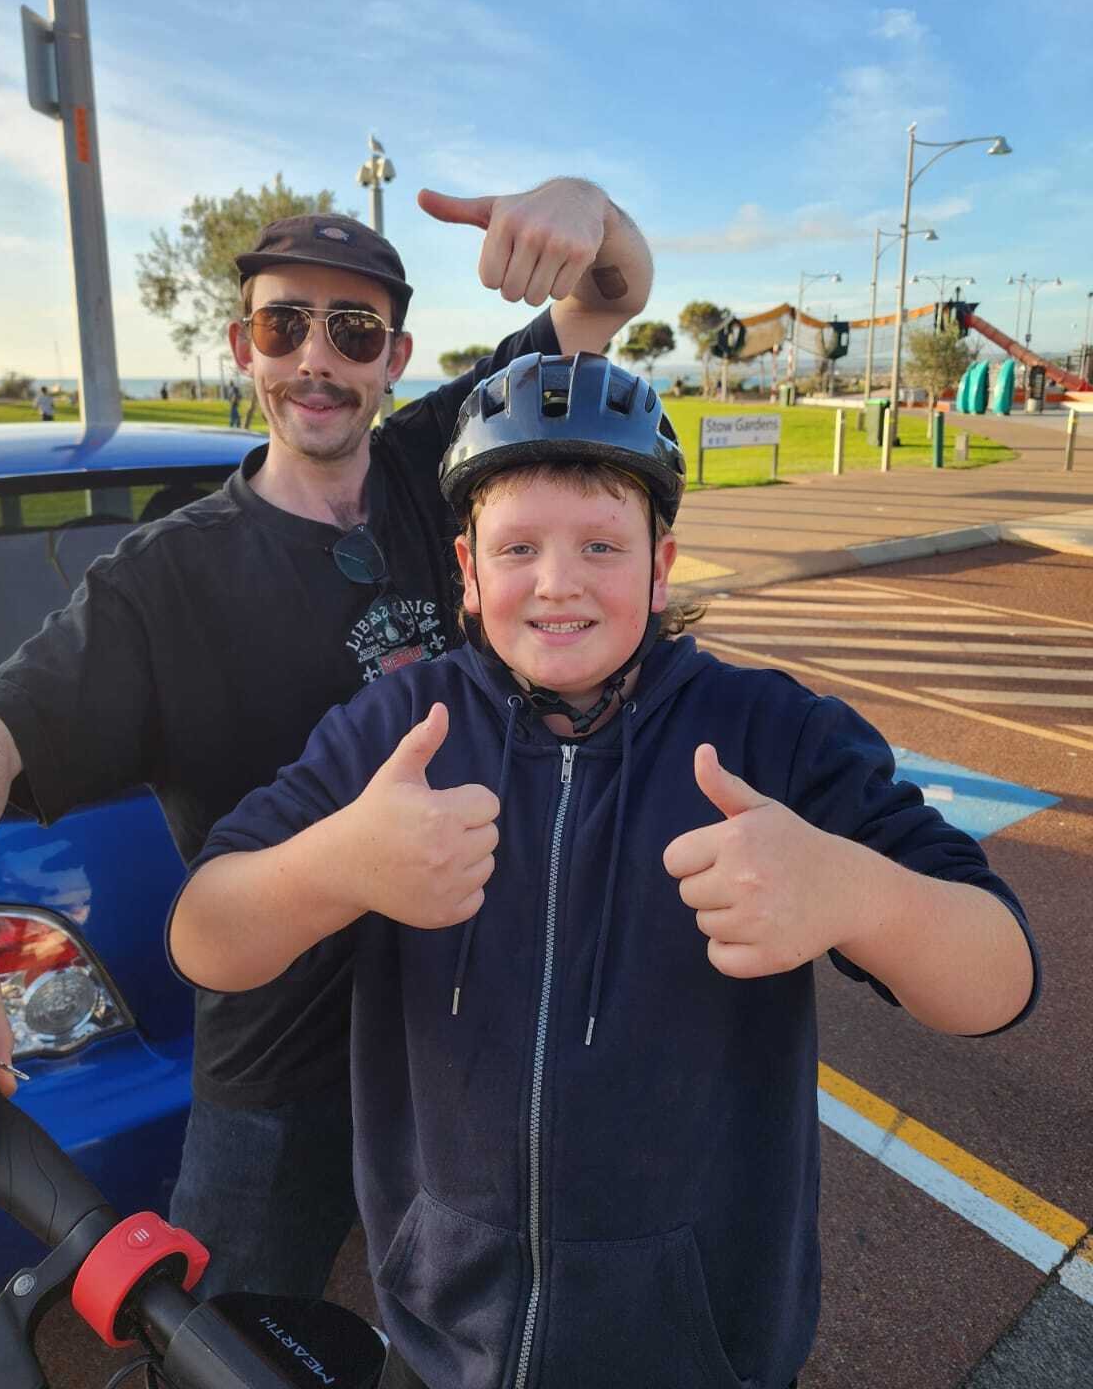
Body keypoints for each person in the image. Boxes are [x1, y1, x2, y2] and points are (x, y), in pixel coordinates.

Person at [169, 352, 1038, 1389]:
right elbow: (205, 937)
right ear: (468, 568)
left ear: (662, 566)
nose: (560, 581)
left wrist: (853, 889)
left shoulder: (774, 734)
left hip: (701, 1348)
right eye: (520, 546)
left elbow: (997, 980)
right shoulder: (401, 727)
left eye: (601, 544)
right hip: (444, 1342)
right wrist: (336, 864)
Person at [0, 178, 653, 1302]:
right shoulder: (166, 579)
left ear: (393, 358)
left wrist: (589, 212)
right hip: (278, 1071)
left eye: (351, 332)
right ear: (241, 346)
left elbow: (612, 296)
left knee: (481, 1312)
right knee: (231, 1339)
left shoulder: (426, 464)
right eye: (282, 323)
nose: (315, 359)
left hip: (461, 1020)